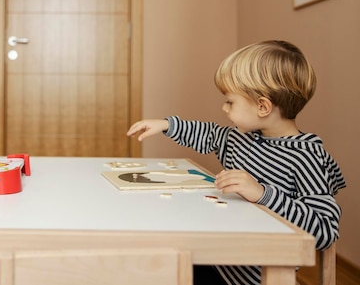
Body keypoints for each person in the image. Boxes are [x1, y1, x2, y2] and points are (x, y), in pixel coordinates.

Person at [127, 40, 346, 285]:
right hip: (218, 262)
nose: (224, 107)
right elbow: (209, 134)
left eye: (230, 101)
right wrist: (167, 125)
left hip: (257, 278)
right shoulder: (240, 137)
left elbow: (326, 230)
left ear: (263, 106)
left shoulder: (307, 157)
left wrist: (262, 194)